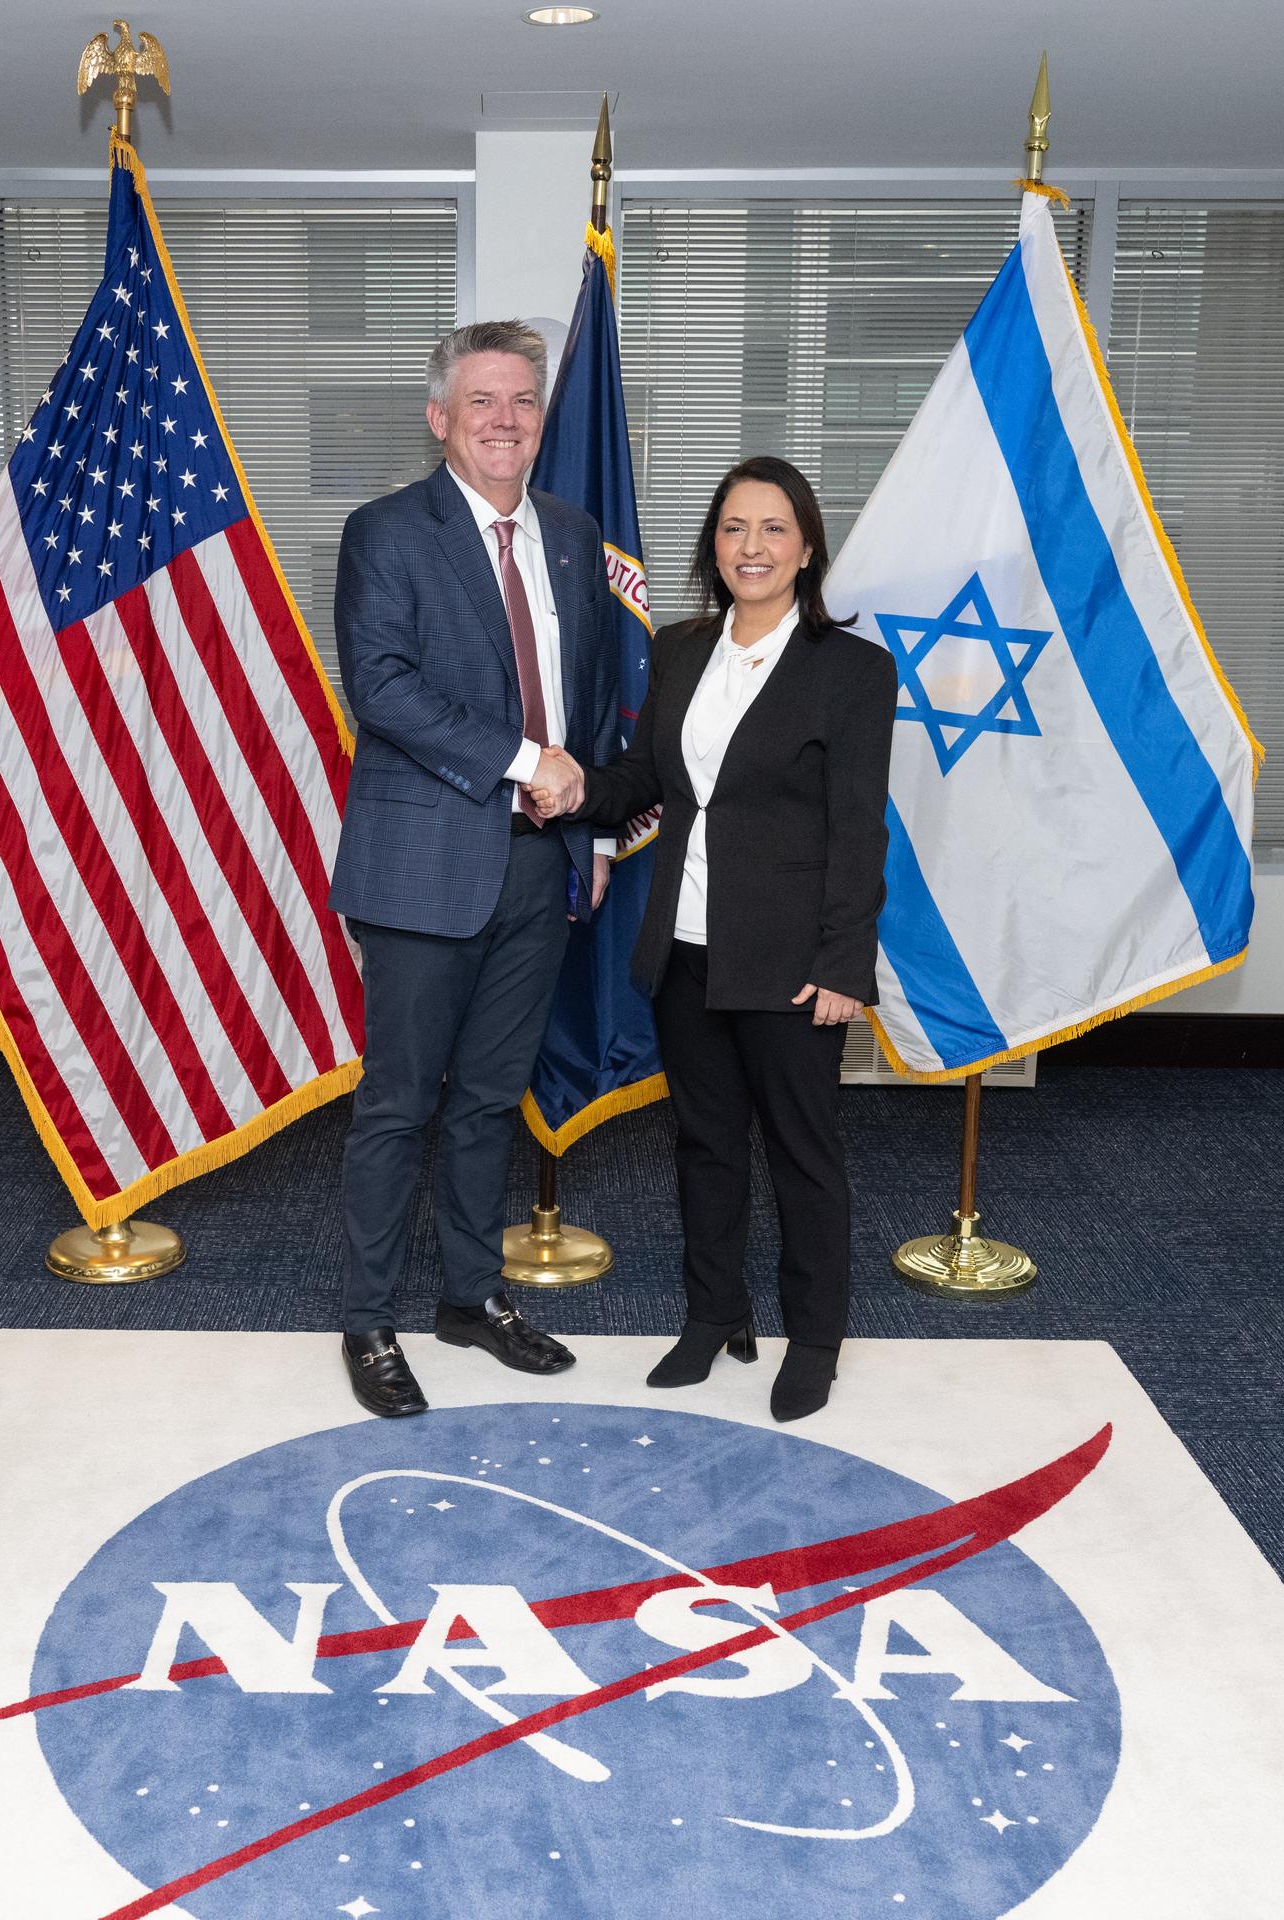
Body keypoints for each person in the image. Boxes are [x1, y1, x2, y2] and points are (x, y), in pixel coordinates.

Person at [532, 456, 896, 1421]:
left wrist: (842, 964)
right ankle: (712, 1316)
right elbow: (643, 779)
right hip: (683, 949)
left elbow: (861, 827)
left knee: (802, 1154)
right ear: (713, 546)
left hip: (791, 965)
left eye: (773, 529)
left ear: (806, 547)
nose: (752, 547)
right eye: (734, 529)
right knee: (703, 1145)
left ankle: (813, 1338)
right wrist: (572, 783)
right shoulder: (683, 648)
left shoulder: (853, 670)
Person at [331, 320, 619, 1418]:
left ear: (542, 420)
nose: (506, 421)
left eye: (524, 403)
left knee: (490, 1100)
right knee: (400, 1103)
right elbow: (387, 690)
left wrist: (586, 832)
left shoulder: (572, 532)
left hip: (539, 864)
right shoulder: (387, 533)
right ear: (440, 418)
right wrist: (522, 761)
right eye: (483, 402)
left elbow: (586, 704)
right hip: (422, 863)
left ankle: (468, 1296)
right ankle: (368, 1317)